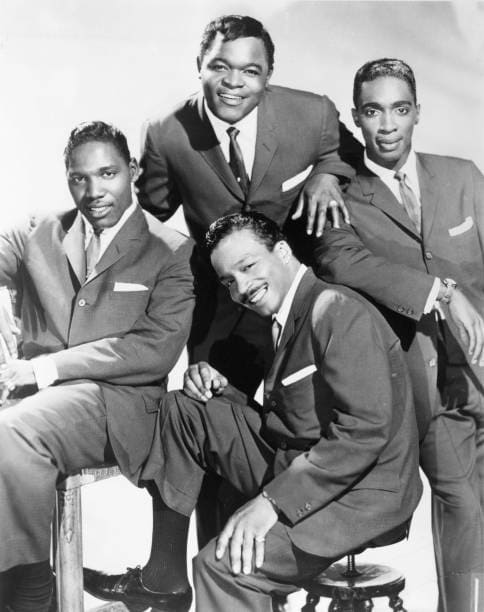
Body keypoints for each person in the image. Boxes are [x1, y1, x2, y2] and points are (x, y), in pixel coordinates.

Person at [84, 211, 422, 611]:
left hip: (362, 493)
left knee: (222, 568)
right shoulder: (290, 311)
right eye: (229, 281)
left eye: (247, 267)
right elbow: (299, 420)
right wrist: (223, 392)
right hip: (307, 464)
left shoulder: (335, 309)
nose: (242, 288)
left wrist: (272, 503)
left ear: (281, 250)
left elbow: (363, 432)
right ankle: (164, 578)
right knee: (186, 407)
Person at [0, 121, 195, 612]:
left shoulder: (170, 249)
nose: (93, 191)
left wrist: (46, 369)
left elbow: (155, 350)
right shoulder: (37, 231)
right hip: (37, 397)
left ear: (131, 171)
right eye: (78, 178)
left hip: (117, 404)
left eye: (106, 174)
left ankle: (29, 585)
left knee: (12, 432)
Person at [315, 58, 484, 611]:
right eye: (373, 111)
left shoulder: (463, 176)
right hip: (428, 388)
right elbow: (343, 265)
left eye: (399, 109)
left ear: (417, 114)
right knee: (464, 503)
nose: (387, 125)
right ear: (356, 119)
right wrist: (441, 291)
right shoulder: (340, 198)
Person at [136, 14, 362, 394]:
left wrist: (327, 175)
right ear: (199, 66)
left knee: (317, 397)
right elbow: (148, 215)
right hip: (225, 296)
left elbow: (348, 153)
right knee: (216, 401)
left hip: (298, 278)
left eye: (250, 71)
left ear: (269, 75)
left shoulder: (311, 114)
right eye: (220, 67)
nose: (233, 84)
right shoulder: (166, 132)